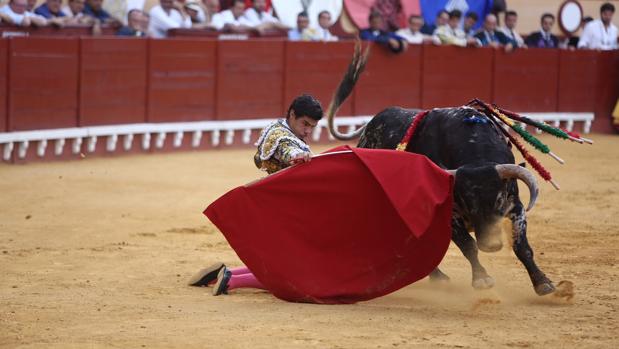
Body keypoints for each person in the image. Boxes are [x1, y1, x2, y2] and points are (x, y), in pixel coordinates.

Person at [188, 94, 324, 295]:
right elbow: (288, 151)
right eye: (305, 124)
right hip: (287, 213)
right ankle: (230, 281)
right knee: (293, 275)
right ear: (292, 115)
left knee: (282, 266)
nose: (308, 131)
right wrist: (299, 156)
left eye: (312, 126)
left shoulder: (277, 127)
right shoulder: (282, 138)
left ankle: (225, 274)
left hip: (279, 206)